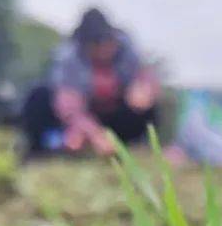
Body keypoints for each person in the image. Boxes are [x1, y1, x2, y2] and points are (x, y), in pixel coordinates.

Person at [21, 8, 160, 157]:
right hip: (83, 117)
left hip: (117, 113)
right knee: (38, 96)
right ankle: (44, 151)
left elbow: (145, 77)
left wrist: (144, 89)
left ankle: (136, 146)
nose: (104, 49)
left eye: (107, 42)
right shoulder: (68, 58)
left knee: (147, 109)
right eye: (97, 44)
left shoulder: (126, 47)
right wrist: (95, 134)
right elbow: (69, 106)